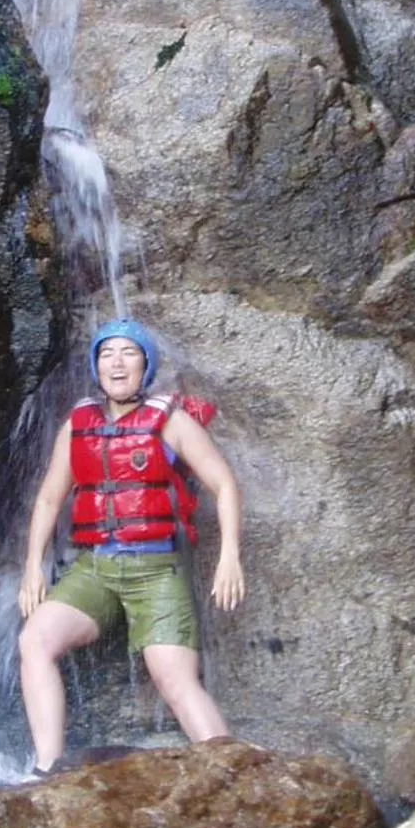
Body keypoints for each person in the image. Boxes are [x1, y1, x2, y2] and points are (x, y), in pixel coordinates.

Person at [17, 319, 245, 772]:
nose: (116, 363)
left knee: (175, 679)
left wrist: (230, 557)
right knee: (35, 640)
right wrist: (31, 567)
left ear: (145, 365)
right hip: (95, 568)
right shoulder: (77, 424)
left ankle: (235, 775)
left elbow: (224, 485)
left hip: (157, 568)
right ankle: (48, 770)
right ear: (96, 366)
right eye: (107, 354)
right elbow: (47, 498)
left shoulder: (171, 421)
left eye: (128, 353)